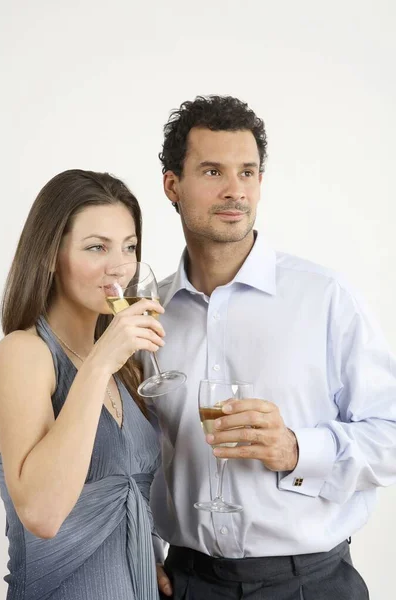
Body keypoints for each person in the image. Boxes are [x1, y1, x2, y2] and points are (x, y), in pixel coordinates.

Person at [145, 95, 396, 600]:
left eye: (248, 172)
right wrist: (138, 555)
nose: (236, 190)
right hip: (187, 583)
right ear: (173, 185)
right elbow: (128, 458)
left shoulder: (323, 296)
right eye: (213, 172)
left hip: (312, 583)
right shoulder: (149, 316)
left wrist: (297, 450)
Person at [0, 169, 166, 600]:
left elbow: (129, 494)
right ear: (51, 255)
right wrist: (99, 363)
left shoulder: (128, 370)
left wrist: (153, 559)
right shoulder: (24, 353)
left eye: (129, 247)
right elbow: (43, 514)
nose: (119, 267)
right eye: (96, 248)